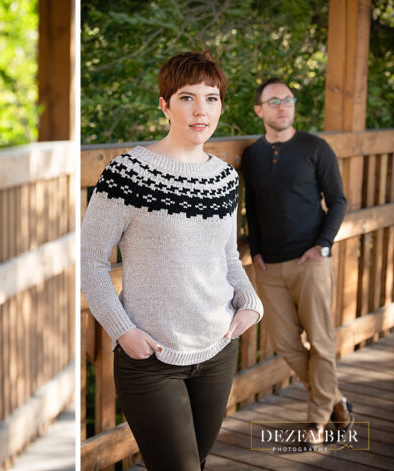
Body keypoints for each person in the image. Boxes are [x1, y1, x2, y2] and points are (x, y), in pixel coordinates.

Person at [79, 51, 263, 470]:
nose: (201, 110)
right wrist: (123, 332)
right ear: (164, 104)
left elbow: (227, 256)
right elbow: (89, 260)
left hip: (217, 351)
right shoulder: (127, 174)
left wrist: (251, 302)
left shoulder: (225, 177)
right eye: (187, 97)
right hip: (151, 360)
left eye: (211, 98)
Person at [241, 78, 351, 444]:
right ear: (259, 110)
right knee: (286, 344)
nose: (283, 106)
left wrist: (322, 245)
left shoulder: (315, 148)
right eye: (274, 101)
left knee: (320, 342)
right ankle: (334, 398)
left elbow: (337, 200)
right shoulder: (253, 155)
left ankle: (317, 421)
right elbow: (252, 208)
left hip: (310, 261)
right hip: (269, 266)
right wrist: (255, 249)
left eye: (288, 100)